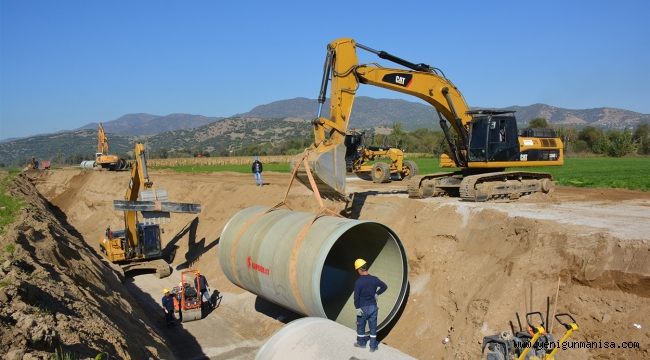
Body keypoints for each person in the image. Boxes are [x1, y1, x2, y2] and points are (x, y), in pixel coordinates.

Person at [353, 258, 387, 352]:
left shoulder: (358, 282)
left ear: (360, 269)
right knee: (373, 327)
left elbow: (356, 297)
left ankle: (361, 343)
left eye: (357, 270)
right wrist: (377, 293)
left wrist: (357, 307)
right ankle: (373, 346)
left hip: (362, 308)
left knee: (360, 327)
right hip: (373, 307)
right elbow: (384, 286)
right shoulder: (374, 279)